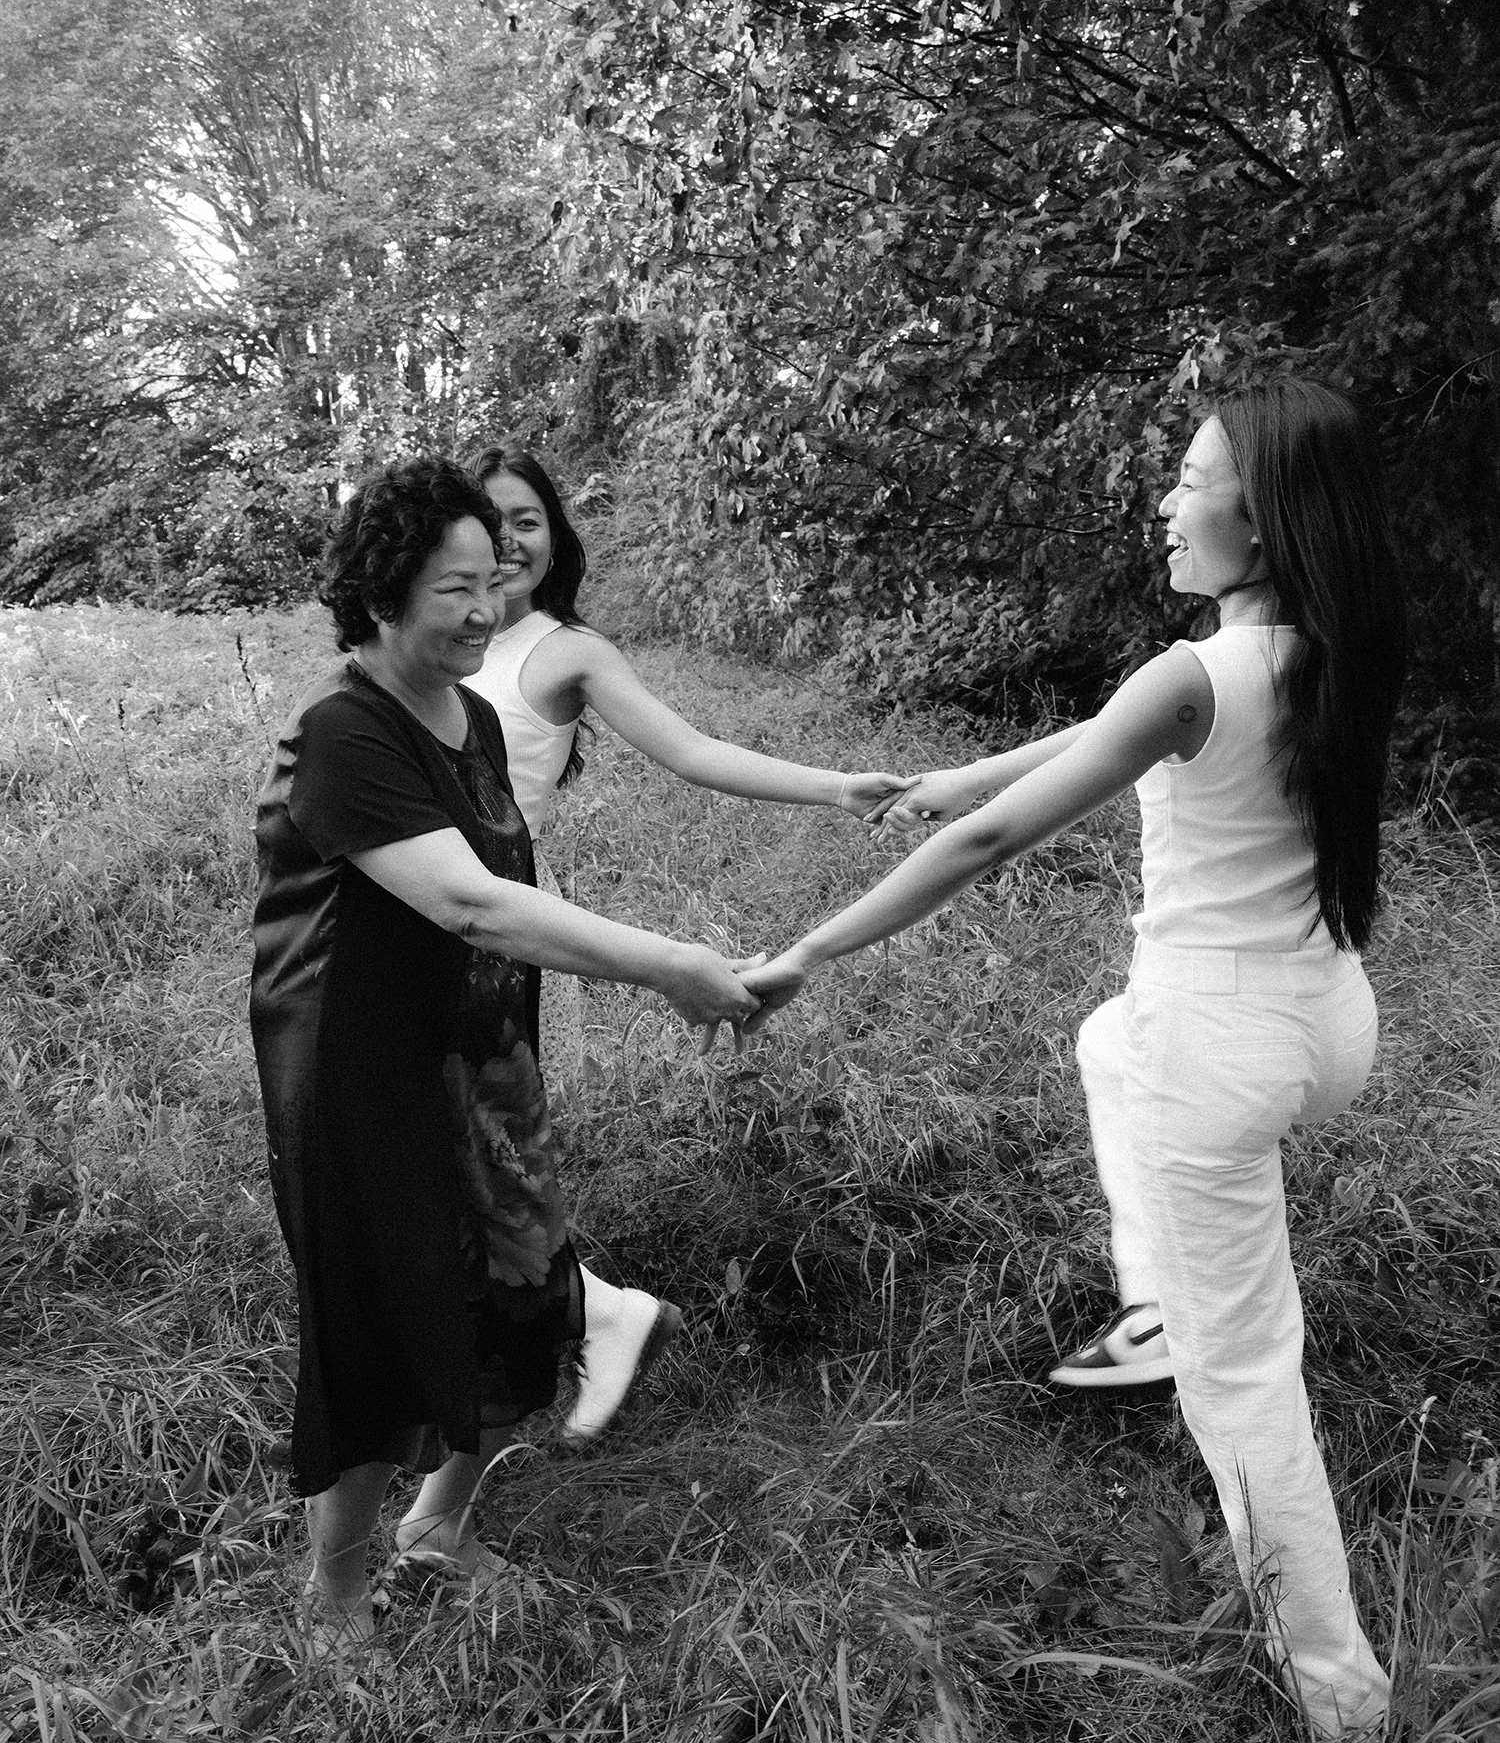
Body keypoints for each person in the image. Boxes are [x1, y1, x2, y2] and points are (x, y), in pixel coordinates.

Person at [733, 381, 1404, 1737]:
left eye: (1192, 480)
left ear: (1266, 517)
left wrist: (807, 949)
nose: (1167, 502)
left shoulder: (1192, 678)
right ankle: (1156, 1305)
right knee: (1105, 1042)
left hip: (1215, 1046)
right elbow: (1119, 727)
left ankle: (1343, 1698)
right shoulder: (1338, 644)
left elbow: (997, 840)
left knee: (1246, 1383)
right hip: (1327, 1018)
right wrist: (966, 769)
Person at [249, 457, 759, 1669]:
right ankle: (334, 1596)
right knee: (381, 1323)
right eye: (453, 589)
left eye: (493, 581)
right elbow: (470, 902)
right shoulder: (343, 733)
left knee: (521, 1282)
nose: (485, 610)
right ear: (381, 592)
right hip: (362, 1079)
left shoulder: (471, 716)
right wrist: (668, 964)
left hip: (481, 1057)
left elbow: (507, 902)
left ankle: (437, 1524)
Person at [463, 439, 914, 1442]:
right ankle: (587, 1318)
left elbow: (693, 750)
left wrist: (838, 787)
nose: (508, 541)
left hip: (501, 925)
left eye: (527, 520)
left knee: (477, 1155)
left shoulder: (564, 651)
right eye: (488, 521)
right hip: (413, 907)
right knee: (449, 1158)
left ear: (555, 537)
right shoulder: (433, 630)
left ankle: (574, 1328)